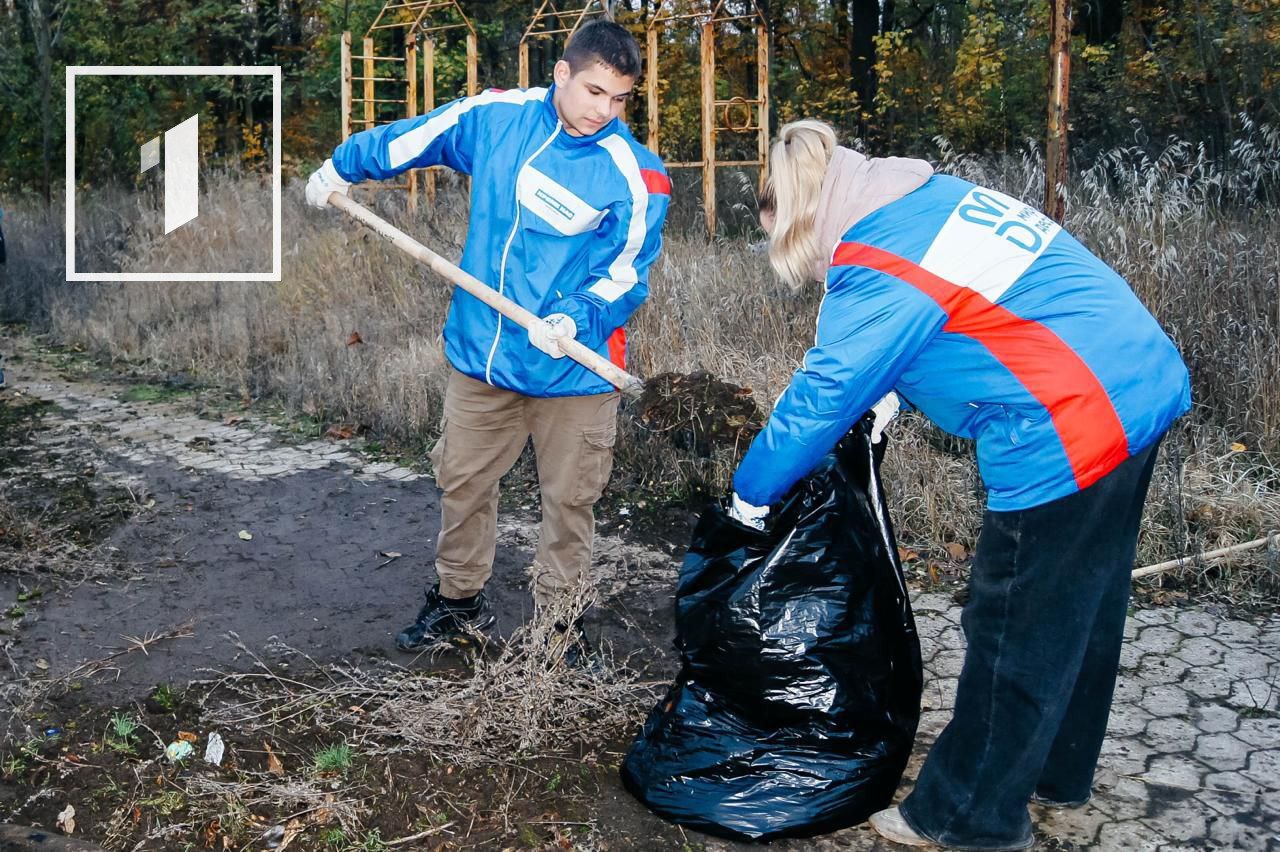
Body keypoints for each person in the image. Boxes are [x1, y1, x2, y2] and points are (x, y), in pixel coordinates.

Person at [729, 119, 1190, 850]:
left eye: (807, 260)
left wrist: (750, 496)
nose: (819, 274)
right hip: (1138, 381)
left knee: (1012, 625)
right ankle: (1056, 774)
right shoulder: (923, 199)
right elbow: (971, 313)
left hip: (1069, 422)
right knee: (1082, 607)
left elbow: (821, 394)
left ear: (800, 216)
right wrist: (894, 390)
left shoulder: (877, 254)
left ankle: (965, 815)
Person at [305, 20, 670, 665]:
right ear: (561, 73)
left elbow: (626, 273)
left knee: (570, 500)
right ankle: (457, 605)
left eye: (619, 100)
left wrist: (576, 317)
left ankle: (559, 625)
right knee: (464, 484)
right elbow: (414, 140)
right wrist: (340, 166)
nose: (604, 111)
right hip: (484, 356)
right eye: (593, 92)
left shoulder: (636, 174)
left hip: (576, 373)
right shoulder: (498, 119)